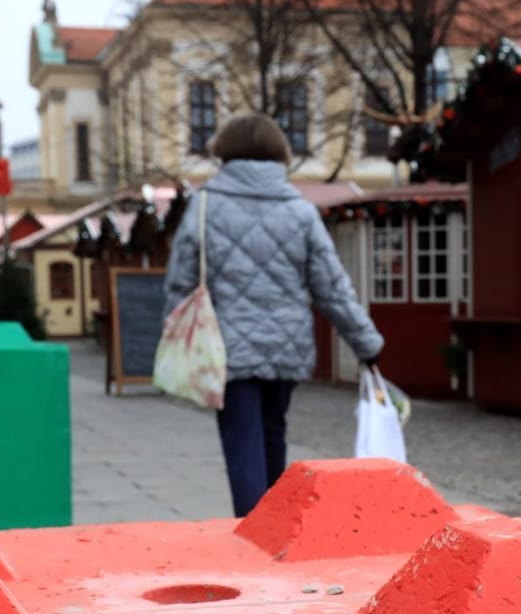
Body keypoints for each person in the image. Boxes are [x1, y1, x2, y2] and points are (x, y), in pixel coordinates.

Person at [164, 112, 383, 517]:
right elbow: (332, 287)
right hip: (287, 345)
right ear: (278, 153)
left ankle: (252, 534)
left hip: (225, 348)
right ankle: (274, 529)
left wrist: (176, 334)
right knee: (272, 433)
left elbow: (179, 281)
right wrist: (366, 343)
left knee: (241, 437)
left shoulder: (204, 206)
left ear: (224, 153)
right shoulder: (301, 213)